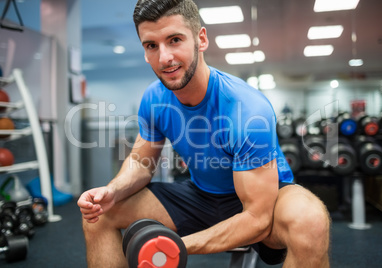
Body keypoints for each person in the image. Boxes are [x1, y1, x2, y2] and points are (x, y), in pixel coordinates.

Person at [77, 0, 330, 267]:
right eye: (151, 45)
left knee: (310, 221)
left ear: (201, 39)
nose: (164, 58)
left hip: (264, 199)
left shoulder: (246, 110)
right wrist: (112, 191)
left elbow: (257, 218)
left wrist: (172, 246)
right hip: (201, 195)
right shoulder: (154, 98)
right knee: (98, 213)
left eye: (174, 40)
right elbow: (141, 162)